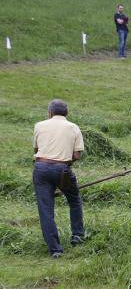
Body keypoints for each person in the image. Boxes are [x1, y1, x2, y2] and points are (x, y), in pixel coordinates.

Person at [32, 99, 86, 258]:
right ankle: (77, 235)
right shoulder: (73, 127)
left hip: (41, 168)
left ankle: (55, 250)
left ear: (50, 112)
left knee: (45, 209)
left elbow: (36, 149)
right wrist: (64, 161)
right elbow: (77, 154)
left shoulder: (39, 125)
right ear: (66, 113)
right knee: (74, 200)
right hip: (62, 169)